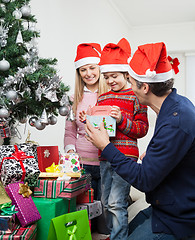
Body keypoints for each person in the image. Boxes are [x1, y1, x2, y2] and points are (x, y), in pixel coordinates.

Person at [84, 42, 195, 240]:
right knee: (124, 228)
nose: (130, 87)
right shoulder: (174, 107)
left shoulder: (176, 120)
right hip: (164, 206)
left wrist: (105, 146)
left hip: (179, 218)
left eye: (132, 82)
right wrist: (154, 155)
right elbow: (173, 150)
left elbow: (144, 180)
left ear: (144, 87)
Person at [80, 38, 149, 240]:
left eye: (115, 76)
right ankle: (114, 233)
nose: (110, 80)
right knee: (105, 202)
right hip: (104, 157)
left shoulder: (136, 96)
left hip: (125, 157)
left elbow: (142, 129)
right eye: (107, 76)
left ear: (126, 74)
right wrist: (88, 120)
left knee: (116, 202)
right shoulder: (102, 98)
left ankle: (119, 237)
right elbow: (97, 129)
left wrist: (122, 119)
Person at [64, 43, 109, 213]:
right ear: (78, 73)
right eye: (83, 70)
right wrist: (70, 152)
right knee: (83, 211)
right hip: (81, 164)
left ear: (99, 68)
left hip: (105, 162)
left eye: (92, 68)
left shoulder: (110, 95)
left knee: (105, 210)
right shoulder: (72, 98)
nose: (88, 73)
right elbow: (69, 132)